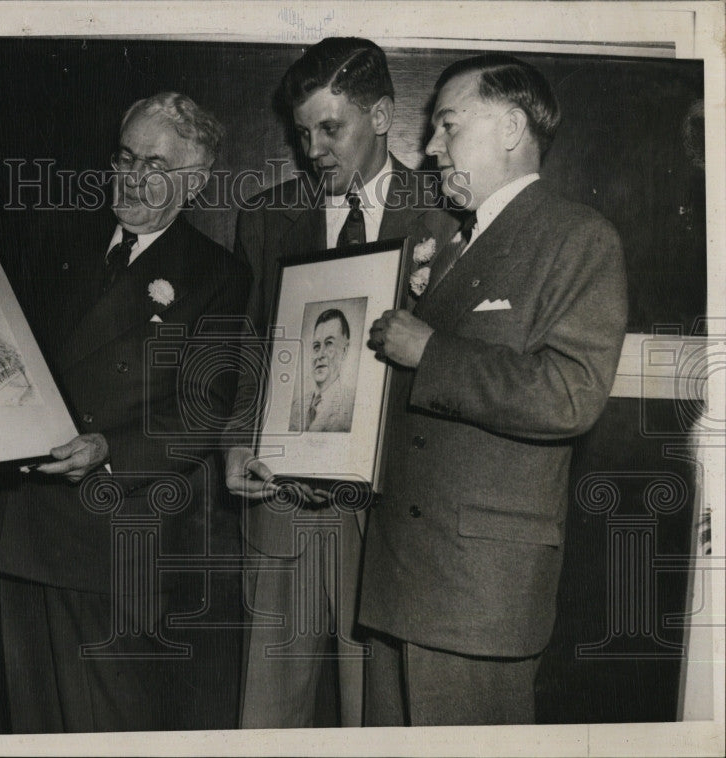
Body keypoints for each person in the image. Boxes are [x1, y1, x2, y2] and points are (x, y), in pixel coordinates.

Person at [359, 54, 628, 726]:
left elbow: (571, 393)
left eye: (448, 125)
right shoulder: (446, 239)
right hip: (401, 576)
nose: (430, 148)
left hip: (479, 592)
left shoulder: (577, 237)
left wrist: (432, 354)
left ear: (511, 127)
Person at [0, 92, 251, 733]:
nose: (130, 177)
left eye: (153, 164)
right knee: (30, 720)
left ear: (194, 180)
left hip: (111, 535)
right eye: (125, 157)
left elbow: (205, 413)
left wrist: (108, 451)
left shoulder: (217, 275)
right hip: (19, 526)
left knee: (105, 726)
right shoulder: (54, 239)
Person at [225, 37, 457, 728]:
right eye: (303, 133)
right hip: (282, 507)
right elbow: (247, 349)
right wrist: (237, 441)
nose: (314, 149)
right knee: (264, 721)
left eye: (332, 128)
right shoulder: (266, 215)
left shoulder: (446, 213)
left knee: (377, 721)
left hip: (388, 516)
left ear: (382, 114)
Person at [289, 308, 356, 432]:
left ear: (344, 351)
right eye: (316, 346)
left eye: (329, 343)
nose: (320, 355)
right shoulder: (295, 407)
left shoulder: (353, 405)